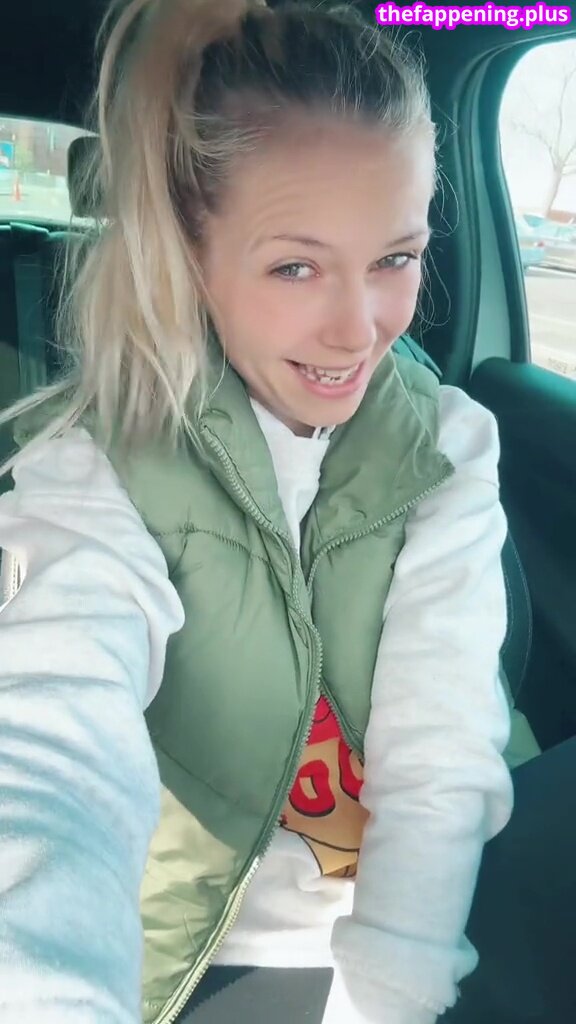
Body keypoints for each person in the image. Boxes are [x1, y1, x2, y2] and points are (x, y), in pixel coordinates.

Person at [0, 0, 527, 1021]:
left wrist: (391, 991)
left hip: (414, 926)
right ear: (193, 254)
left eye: (395, 258)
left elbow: (442, 746)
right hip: (197, 954)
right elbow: (47, 745)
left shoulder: (447, 444)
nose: (358, 329)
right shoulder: (93, 466)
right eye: (296, 266)